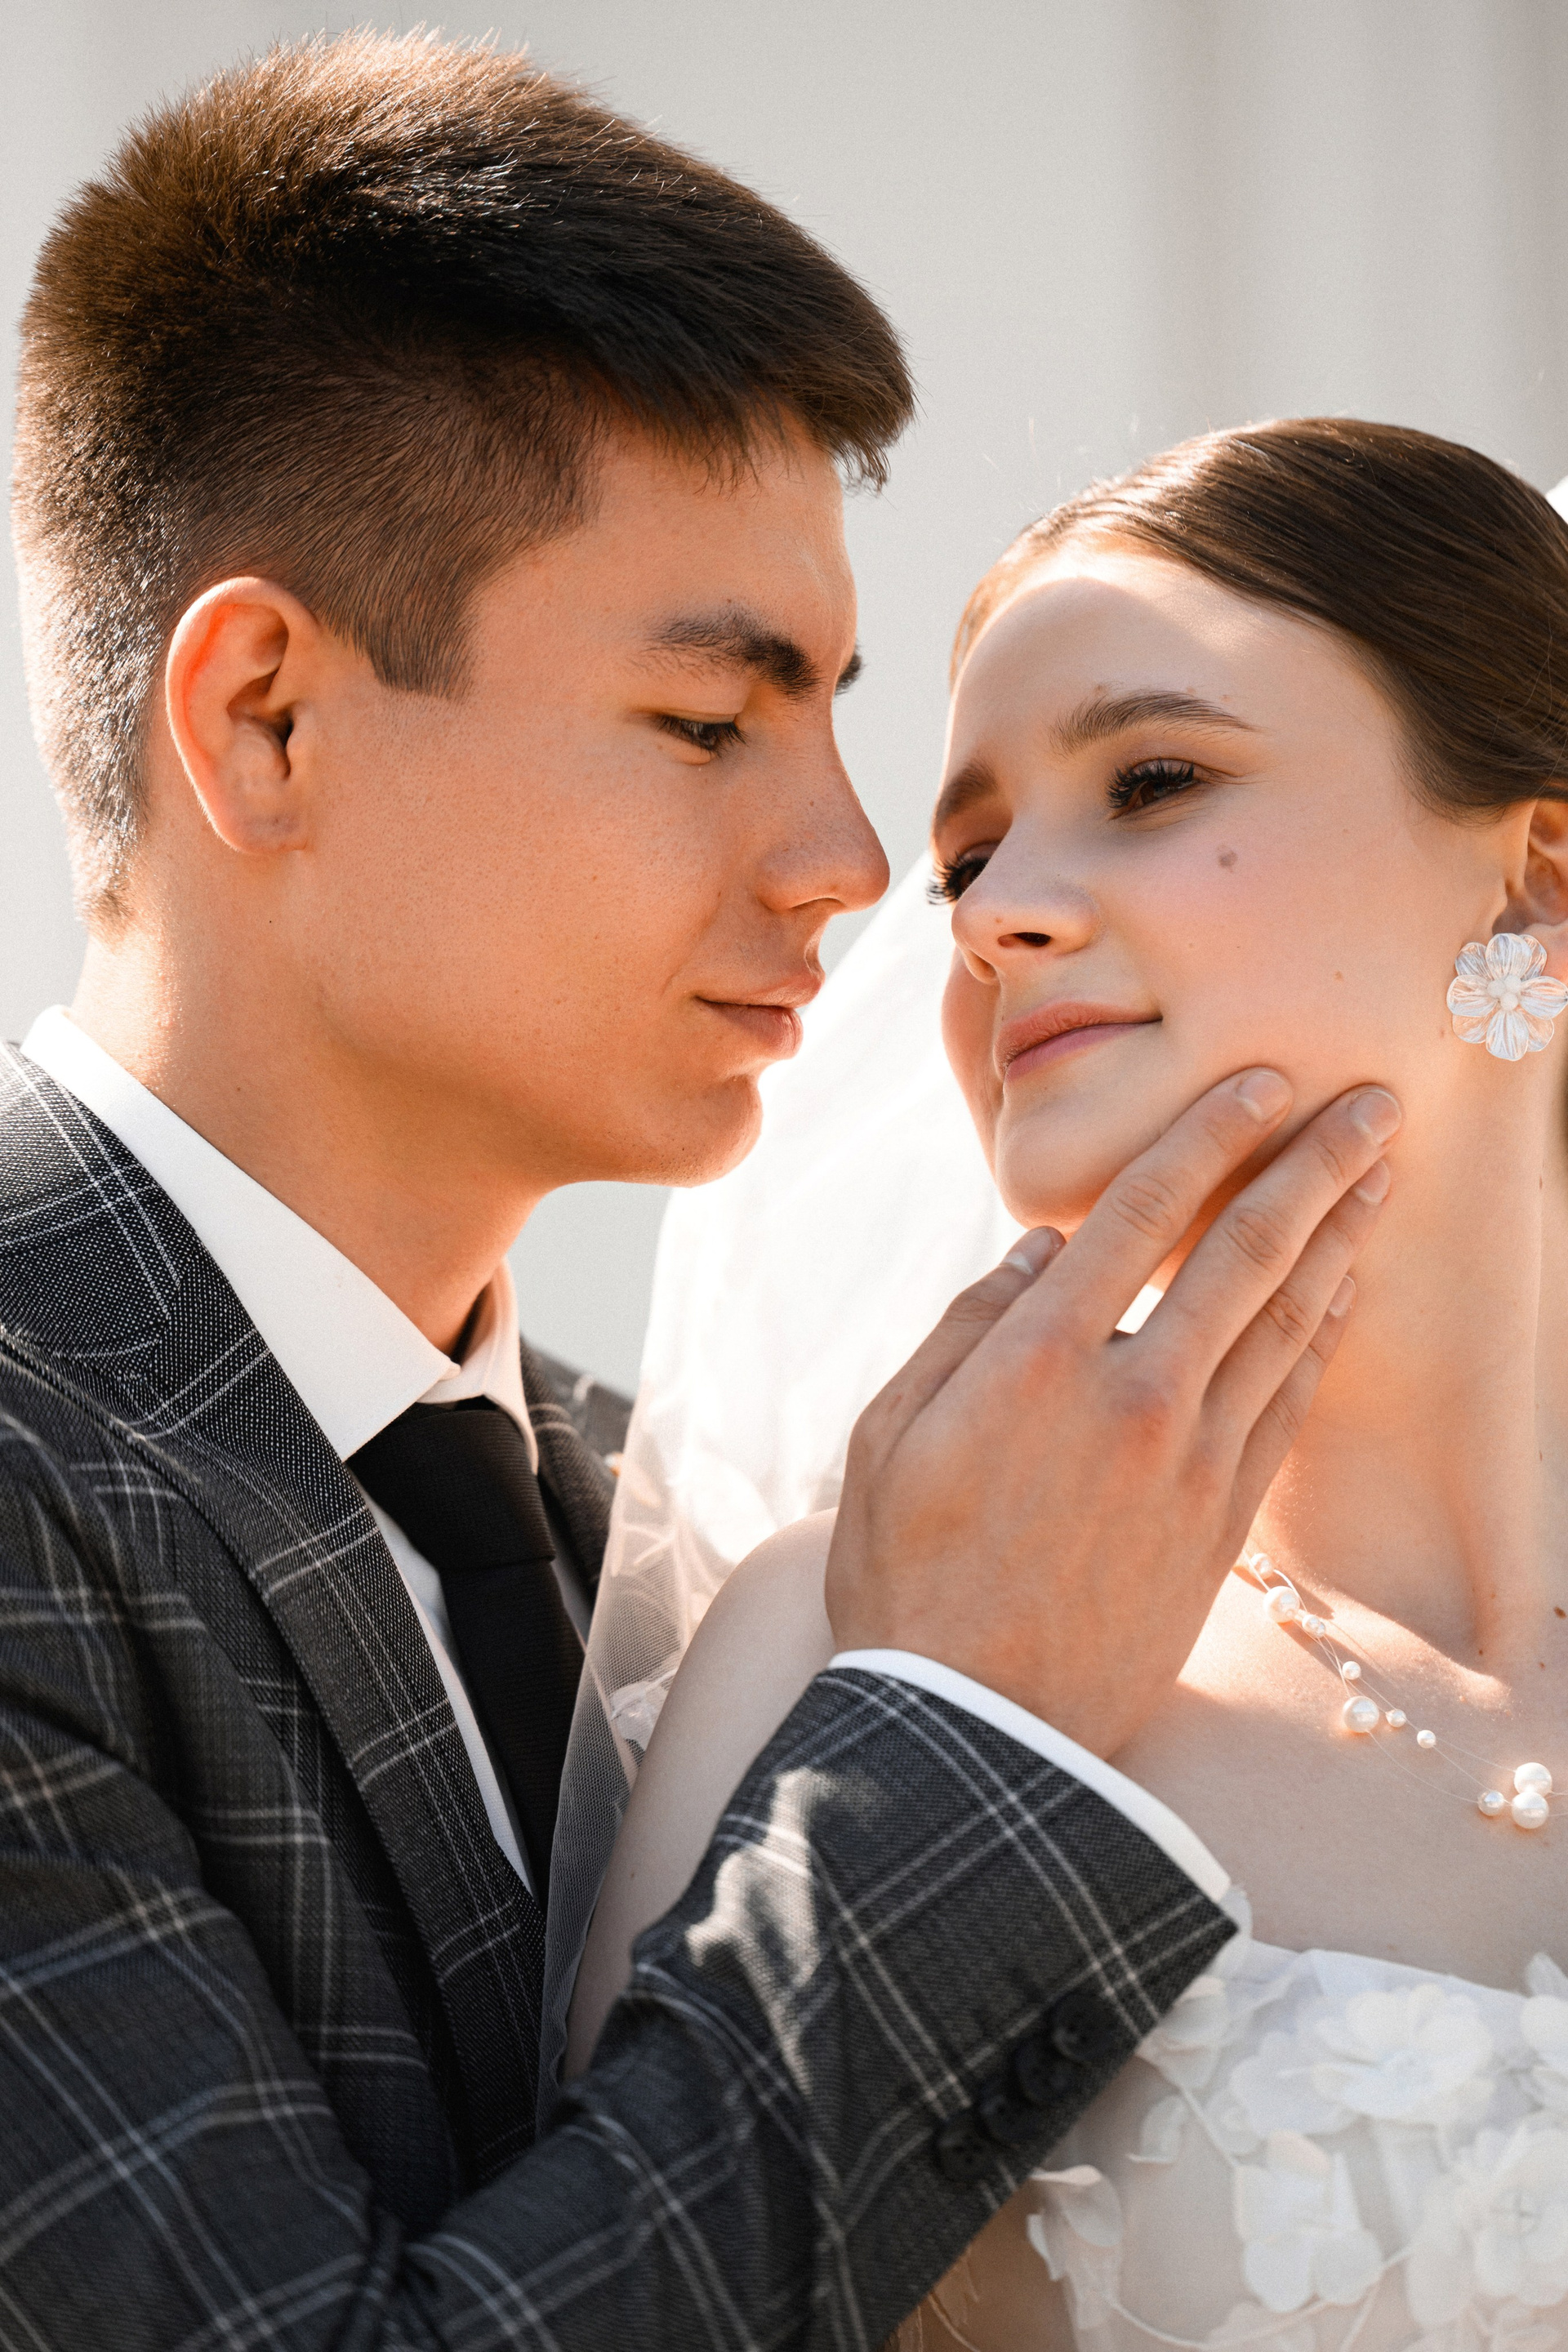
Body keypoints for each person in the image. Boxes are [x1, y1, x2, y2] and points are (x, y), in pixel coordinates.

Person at [0, 35, 1392, 2350]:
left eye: (837, 715)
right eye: (709, 721)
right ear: (264, 719)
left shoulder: (668, 1508)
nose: (851, 862)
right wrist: (963, 1730)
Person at [567, 419, 1568, 2351]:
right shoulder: (850, 1641)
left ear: (1534, 882)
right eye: (970, 854)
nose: (988, 912)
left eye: (1153, 778)